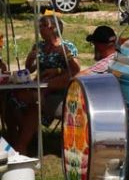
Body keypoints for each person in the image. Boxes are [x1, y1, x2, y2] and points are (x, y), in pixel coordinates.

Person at [5, 13, 80, 154]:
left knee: (33, 102)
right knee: (11, 98)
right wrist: (30, 59)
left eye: (43, 26)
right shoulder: (39, 45)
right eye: (39, 26)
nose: (40, 29)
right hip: (39, 85)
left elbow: (74, 70)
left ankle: (23, 142)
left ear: (54, 28)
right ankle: (19, 138)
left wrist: (58, 68)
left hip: (56, 89)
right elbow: (30, 69)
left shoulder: (67, 46)